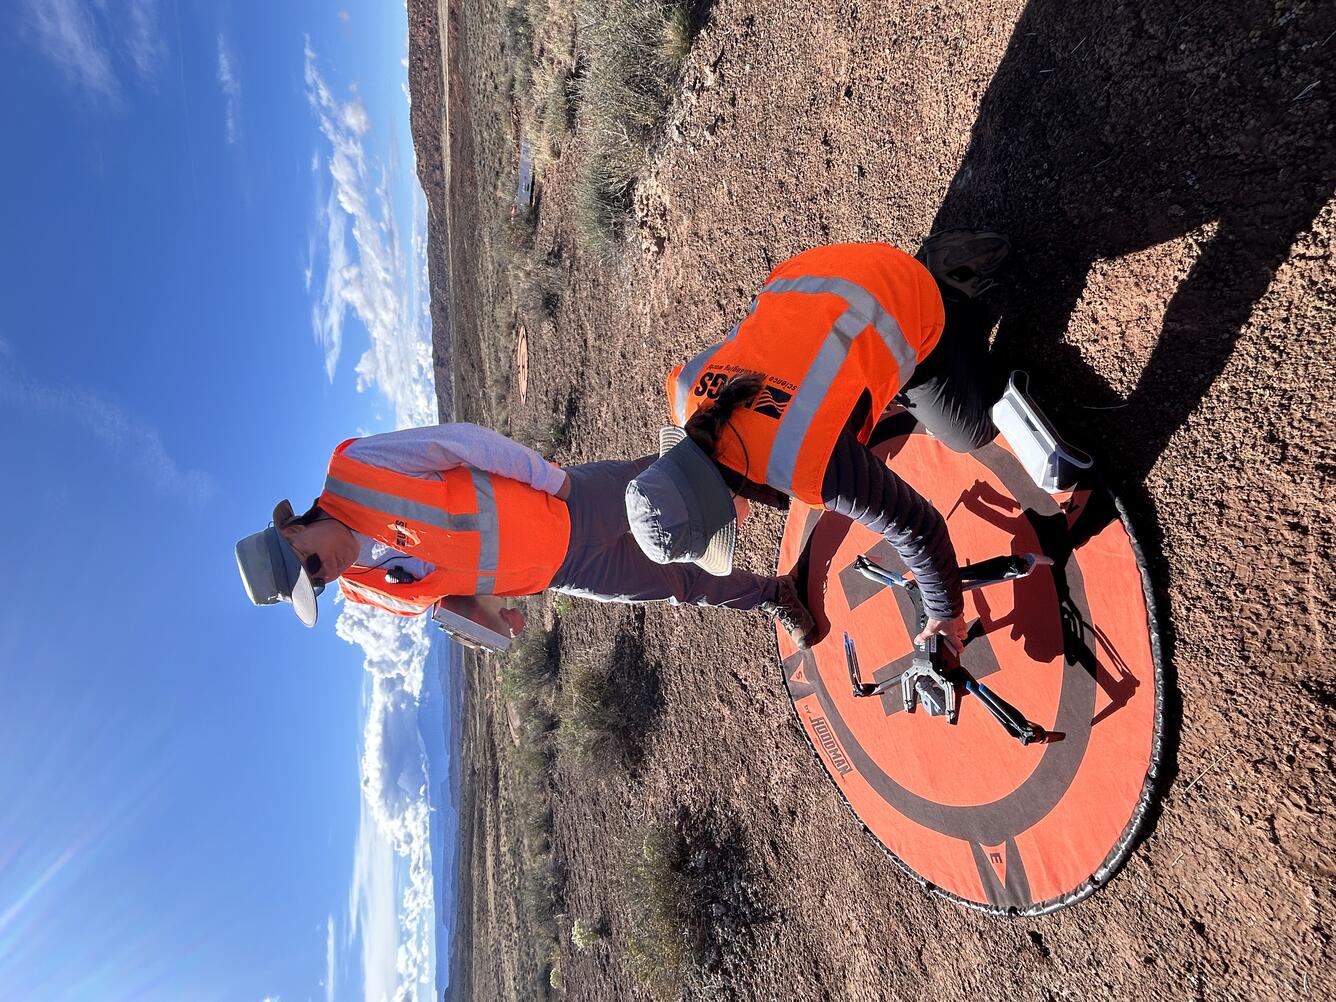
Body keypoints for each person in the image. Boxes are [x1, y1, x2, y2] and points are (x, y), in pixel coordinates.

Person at [624, 235, 1009, 652]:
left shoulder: (803, 459)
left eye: (723, 527)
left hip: (896, 291)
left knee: (971, 432)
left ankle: (945, 287)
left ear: (719, 503)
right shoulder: (685, 395)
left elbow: (918, 528)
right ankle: (902, 292)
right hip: (817, 270)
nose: (739, 526)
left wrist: (944, 614)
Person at [233, 423, 814, 638]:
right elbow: (446, 591)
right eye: (318, 587)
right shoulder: (364, 587)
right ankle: (773, 597)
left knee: (680, 486)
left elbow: (461, 443)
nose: (325, 576)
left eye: (309, 565)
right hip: (565, 572)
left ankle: (777, 471)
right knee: (679, 583)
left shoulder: (357, 469)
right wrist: (490, 615)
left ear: (293, 532)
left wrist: (550, 478)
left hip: (569, 504)